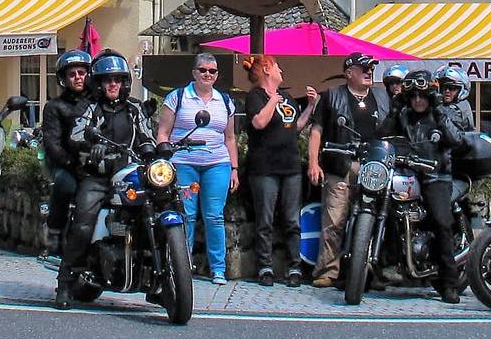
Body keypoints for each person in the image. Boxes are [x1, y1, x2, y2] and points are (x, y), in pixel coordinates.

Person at [52, 51, 154, 309]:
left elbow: (147, 137)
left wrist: (156, 151)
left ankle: (162, 278)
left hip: (129, 174)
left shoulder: (134, 108)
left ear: (125, 82)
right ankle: (65, 283)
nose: (113, 84)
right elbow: (76, 135)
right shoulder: (90, 108)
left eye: (117, 79)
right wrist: (92, 142)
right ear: (98, 83)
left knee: (156, 209)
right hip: (98, 177)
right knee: (83, 224)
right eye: (107, 80)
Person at [380, 67, 477, 303]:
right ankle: (385, 266)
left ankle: (449, 283)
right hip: (406, 172)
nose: (417, 100)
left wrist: (440, 113)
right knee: (383, 205)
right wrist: (394, 111)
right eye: (413, 95)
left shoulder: (443, 113)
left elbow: (456, 139)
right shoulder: (403, 115)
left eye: (422, 95)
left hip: (436, 175)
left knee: (441, 222)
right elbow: (381, 136)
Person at [303, 53, 388, 289]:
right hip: (340, 165)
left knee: (377, 219)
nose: (369, 72)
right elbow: (316, 131)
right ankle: (327, 271)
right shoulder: (331, 96)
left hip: (374, 166)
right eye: (364, 68)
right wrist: (313, 163)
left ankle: (373, 272)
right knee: (334, 220)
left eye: (371, 68)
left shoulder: (383, 97)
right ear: (349, 73)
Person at [156, 53, 240, 285]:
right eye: (203, 70)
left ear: (217, 75)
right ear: (194, 72)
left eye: (212, 71)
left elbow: (230, 137)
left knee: (214, 216)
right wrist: (165, 159)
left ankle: (218, 269)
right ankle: (183, 268)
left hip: (217, 164)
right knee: (187, 215)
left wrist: (234, 168)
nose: (207, 74)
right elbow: (163, 132)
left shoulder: (224, 101)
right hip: (184, 162)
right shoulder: (178, 97)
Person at [241, 54, 304, 287]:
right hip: (265, 167)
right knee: (265, 220)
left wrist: (311, 107)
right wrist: (271, 102)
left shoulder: (287, 97)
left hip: (291, 165)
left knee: (292, 219)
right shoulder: (255, 97)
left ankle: (294, 267)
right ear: (267, 69)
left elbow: (295, 126)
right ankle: (265, 266)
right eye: (277, 66)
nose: (281, 70)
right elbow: (258, 123)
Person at [37, 49, 93, 262]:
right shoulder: (54, 107)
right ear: (63, 78)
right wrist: (71, 163)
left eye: (82, 73)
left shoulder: (97, 103)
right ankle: (55, 231)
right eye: (72, 74)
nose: (78, 77)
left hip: (94, 162)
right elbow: (52, 143)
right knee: (65, 184)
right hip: (65, 163)